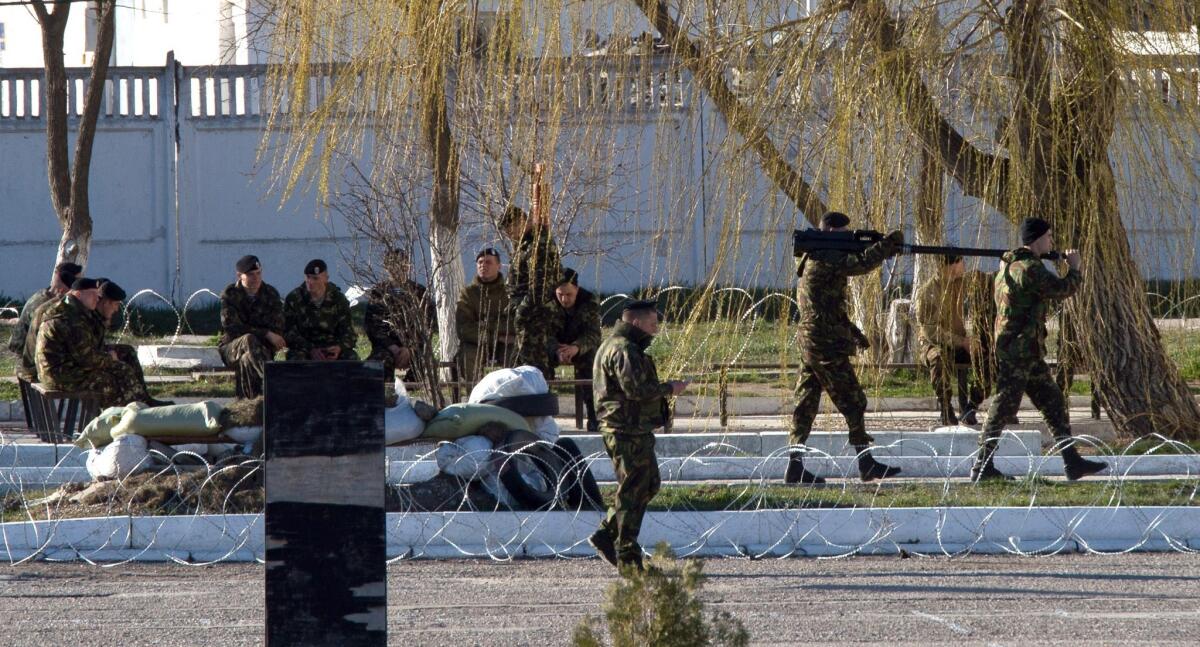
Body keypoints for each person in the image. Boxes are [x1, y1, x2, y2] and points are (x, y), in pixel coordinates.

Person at [971, 218, 1107, 482]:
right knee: (1002, 407)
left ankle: (1072, 461)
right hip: (1019, 350)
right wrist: (1074, 268)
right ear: (1036, 239)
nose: (1052, 241)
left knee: (1053, 402)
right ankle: (982, 466)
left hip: (1026, 350)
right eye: (1049, 236)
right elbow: (1061, 289)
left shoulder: (1009, 264)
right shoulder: (1028, 267)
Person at [786, 211, 904, 485]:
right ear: (828, 232)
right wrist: (888, 245)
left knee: (805, 404)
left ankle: (795, 466)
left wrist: (854, 332)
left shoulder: (811, 258)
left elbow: (827, 307)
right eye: (842, 234)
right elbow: (862, 263)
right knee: (854, 400)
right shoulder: (825, 258)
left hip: (813, 339)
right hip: (824, 344)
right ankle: (866, 463)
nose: (846, 239)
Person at [588, 300, 688, 571]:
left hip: (629, 429)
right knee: (633, 491)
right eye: (653, 325)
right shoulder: (624, 349)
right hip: (625, 430)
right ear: (636, 323)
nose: (655, 331)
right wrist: (670, 387)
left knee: (647, 484)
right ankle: (628, 557)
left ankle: (608, 534)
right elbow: (638, 390)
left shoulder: (617, 346)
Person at [34, 278, 152, 408]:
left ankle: (140, 405)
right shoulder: (72, 319)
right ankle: (125, 415)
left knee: (123, 358)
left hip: (61, 370)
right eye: (94, 295)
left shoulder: (72, 310)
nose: (97, 299)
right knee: (112, 378)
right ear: (78, 294)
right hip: (59, 376)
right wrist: (110, 358)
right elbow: (87, 359)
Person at [914, 255, 984, 425]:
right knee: (937, 358)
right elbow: (932, 332)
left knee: (987, 356)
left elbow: (986, 279)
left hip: (959, 343)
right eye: (961, 261)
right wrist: (962, 342)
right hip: (933, 344)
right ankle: (946, 408)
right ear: (952, 265)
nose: (964, 265)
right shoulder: (928, 292)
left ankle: (971, 406)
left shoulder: (962, 282)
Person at [501, 205, 562, 376]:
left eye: (510, 228)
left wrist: (522, 310)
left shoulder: (537, 245)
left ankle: (539, 401)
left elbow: (540, 286)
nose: (509, 234)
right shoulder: (526, 243)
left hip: (534, 315)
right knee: (520, 367)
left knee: (534, 368)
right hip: (527, 315)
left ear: (522, 221)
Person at [92, 279, 170, 406]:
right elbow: (90, 347)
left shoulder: (100, 315)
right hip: (90, 361)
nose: (117, 309)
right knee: (123, 369)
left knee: (128, 351)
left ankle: (144, 398)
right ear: (106, 303)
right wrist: (108, 355)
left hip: (96, 353)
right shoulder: (91, 316)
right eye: (115, 304)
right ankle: (134, 403)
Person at [219, 255, 286, 398]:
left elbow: (278, 326)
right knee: (248, 339)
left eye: (258, 273)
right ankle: (271, 380)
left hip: (262, 350)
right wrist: (266, 333)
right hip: (232, 348)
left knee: (247, 359)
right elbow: (233, 328)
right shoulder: (230, 295)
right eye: (250, 274)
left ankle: (251, 403)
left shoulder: (270, 294)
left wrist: (267, 335)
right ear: (239, 275)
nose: (256, 278)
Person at [365, 249, 436, 380]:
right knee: (377, 364)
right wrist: (392, 347)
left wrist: (410, 347)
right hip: (386, 347)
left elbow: (427, 325)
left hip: (414, 349)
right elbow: (372, 326)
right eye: (394, 264)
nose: (398, 268)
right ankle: (385, 396)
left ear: (408, 266)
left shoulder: (419, 292)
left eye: (402, 264)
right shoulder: (378, 293)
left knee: (422, 365)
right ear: (386, 267)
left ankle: (407, 396)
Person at [547, 268, 602, 431]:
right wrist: (556, 349)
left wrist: (577, 347)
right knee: (537, 361)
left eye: (569, 294)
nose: (564, 299)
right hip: (555, 347)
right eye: (560, 294)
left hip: (579, 347)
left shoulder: (589, 302)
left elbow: (593, 335)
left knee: (591, 361)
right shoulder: (547, 302)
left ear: (577, 289)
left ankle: (594, 416)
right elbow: (542, 333)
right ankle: (542, 415)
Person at [9, 262, 82, 380]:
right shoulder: (44, 305)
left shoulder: (46, 294)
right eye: (76, 280)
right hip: (27, 360)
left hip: (28, 355)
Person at [455, 248, 515, 381]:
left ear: (498, 266)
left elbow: (514, 324)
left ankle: (510, 397)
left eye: (488, 262)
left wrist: (484, 325)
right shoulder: (468, 294)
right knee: (467, 357)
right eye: (480, 262)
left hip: (505, 343)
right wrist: (495, 336)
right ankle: (478, 397)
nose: (483, 265)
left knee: (515, 356)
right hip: (476, 342)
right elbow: (463, 329)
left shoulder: (509, 293)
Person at [283, 259, 358, 361]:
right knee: (296, 360)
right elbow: (288, 332)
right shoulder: (294, 299)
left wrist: (339, 348)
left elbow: (349, 333)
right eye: (308, 277)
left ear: (326, 279)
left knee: (351, 359)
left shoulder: (338, 299)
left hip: (332, 348)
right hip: (304, 348)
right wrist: (311, 349)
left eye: (315, 278)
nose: (310, 282)